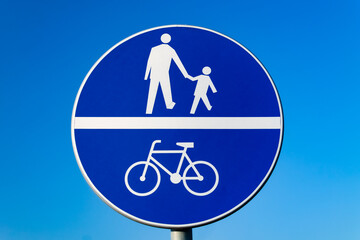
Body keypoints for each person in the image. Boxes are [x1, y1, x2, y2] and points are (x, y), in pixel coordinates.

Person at [144, 33, 190, 114]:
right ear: (169, 40)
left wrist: (146, 75)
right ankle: (168, 105)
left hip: (154, 73)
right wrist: (186, 75)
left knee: (153, 91)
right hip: (163, 73)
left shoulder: (154, 49)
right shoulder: (171, 50)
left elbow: (149, 63)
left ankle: (149, 110)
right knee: (166, 89)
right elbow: (179, 63)